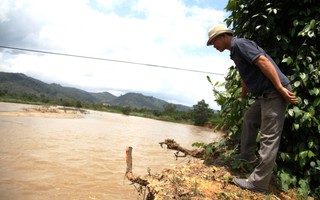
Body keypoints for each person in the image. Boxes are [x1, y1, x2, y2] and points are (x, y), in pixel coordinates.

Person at [206, 24, 298, 193]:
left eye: (214, 42)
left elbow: (263, 61)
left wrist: (280, 88)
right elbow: (245, 75)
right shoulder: (235, 52)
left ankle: (258, 183)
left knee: (269, 138)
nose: (214, 46)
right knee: (249, 118)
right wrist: (242, 95)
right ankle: (247, 155)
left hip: (273, 93)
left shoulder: (240, 44)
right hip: (264, 94)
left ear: (223, 36)